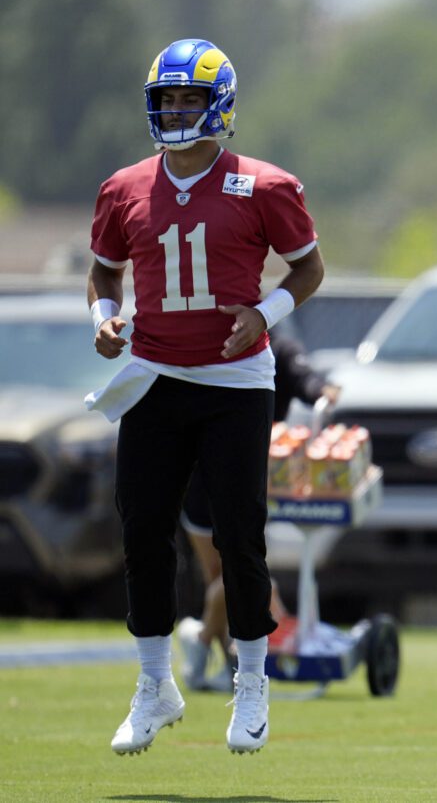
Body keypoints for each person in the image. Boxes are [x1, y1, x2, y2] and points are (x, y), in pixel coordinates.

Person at [87, 38, 324, 755]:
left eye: (191, 98)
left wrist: (266, 314)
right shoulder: (124, 187)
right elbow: (103, 277)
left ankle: (252, 681)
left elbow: (309, 269)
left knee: (239, 538)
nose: (178, 110)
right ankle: (155, 685)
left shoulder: (265, 185)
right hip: (154, 376)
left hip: (233, 381)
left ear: (219, 104)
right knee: (142, 531)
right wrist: (105, 320)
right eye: (168, 99)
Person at [176, 333, 338, 692]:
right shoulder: (205, 340)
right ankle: (214, 653)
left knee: (236, 573)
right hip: (198, 479)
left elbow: (305, 377)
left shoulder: (275, 347)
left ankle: (204, 651)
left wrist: (324, 389)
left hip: (243, 476)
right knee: (226, 576)